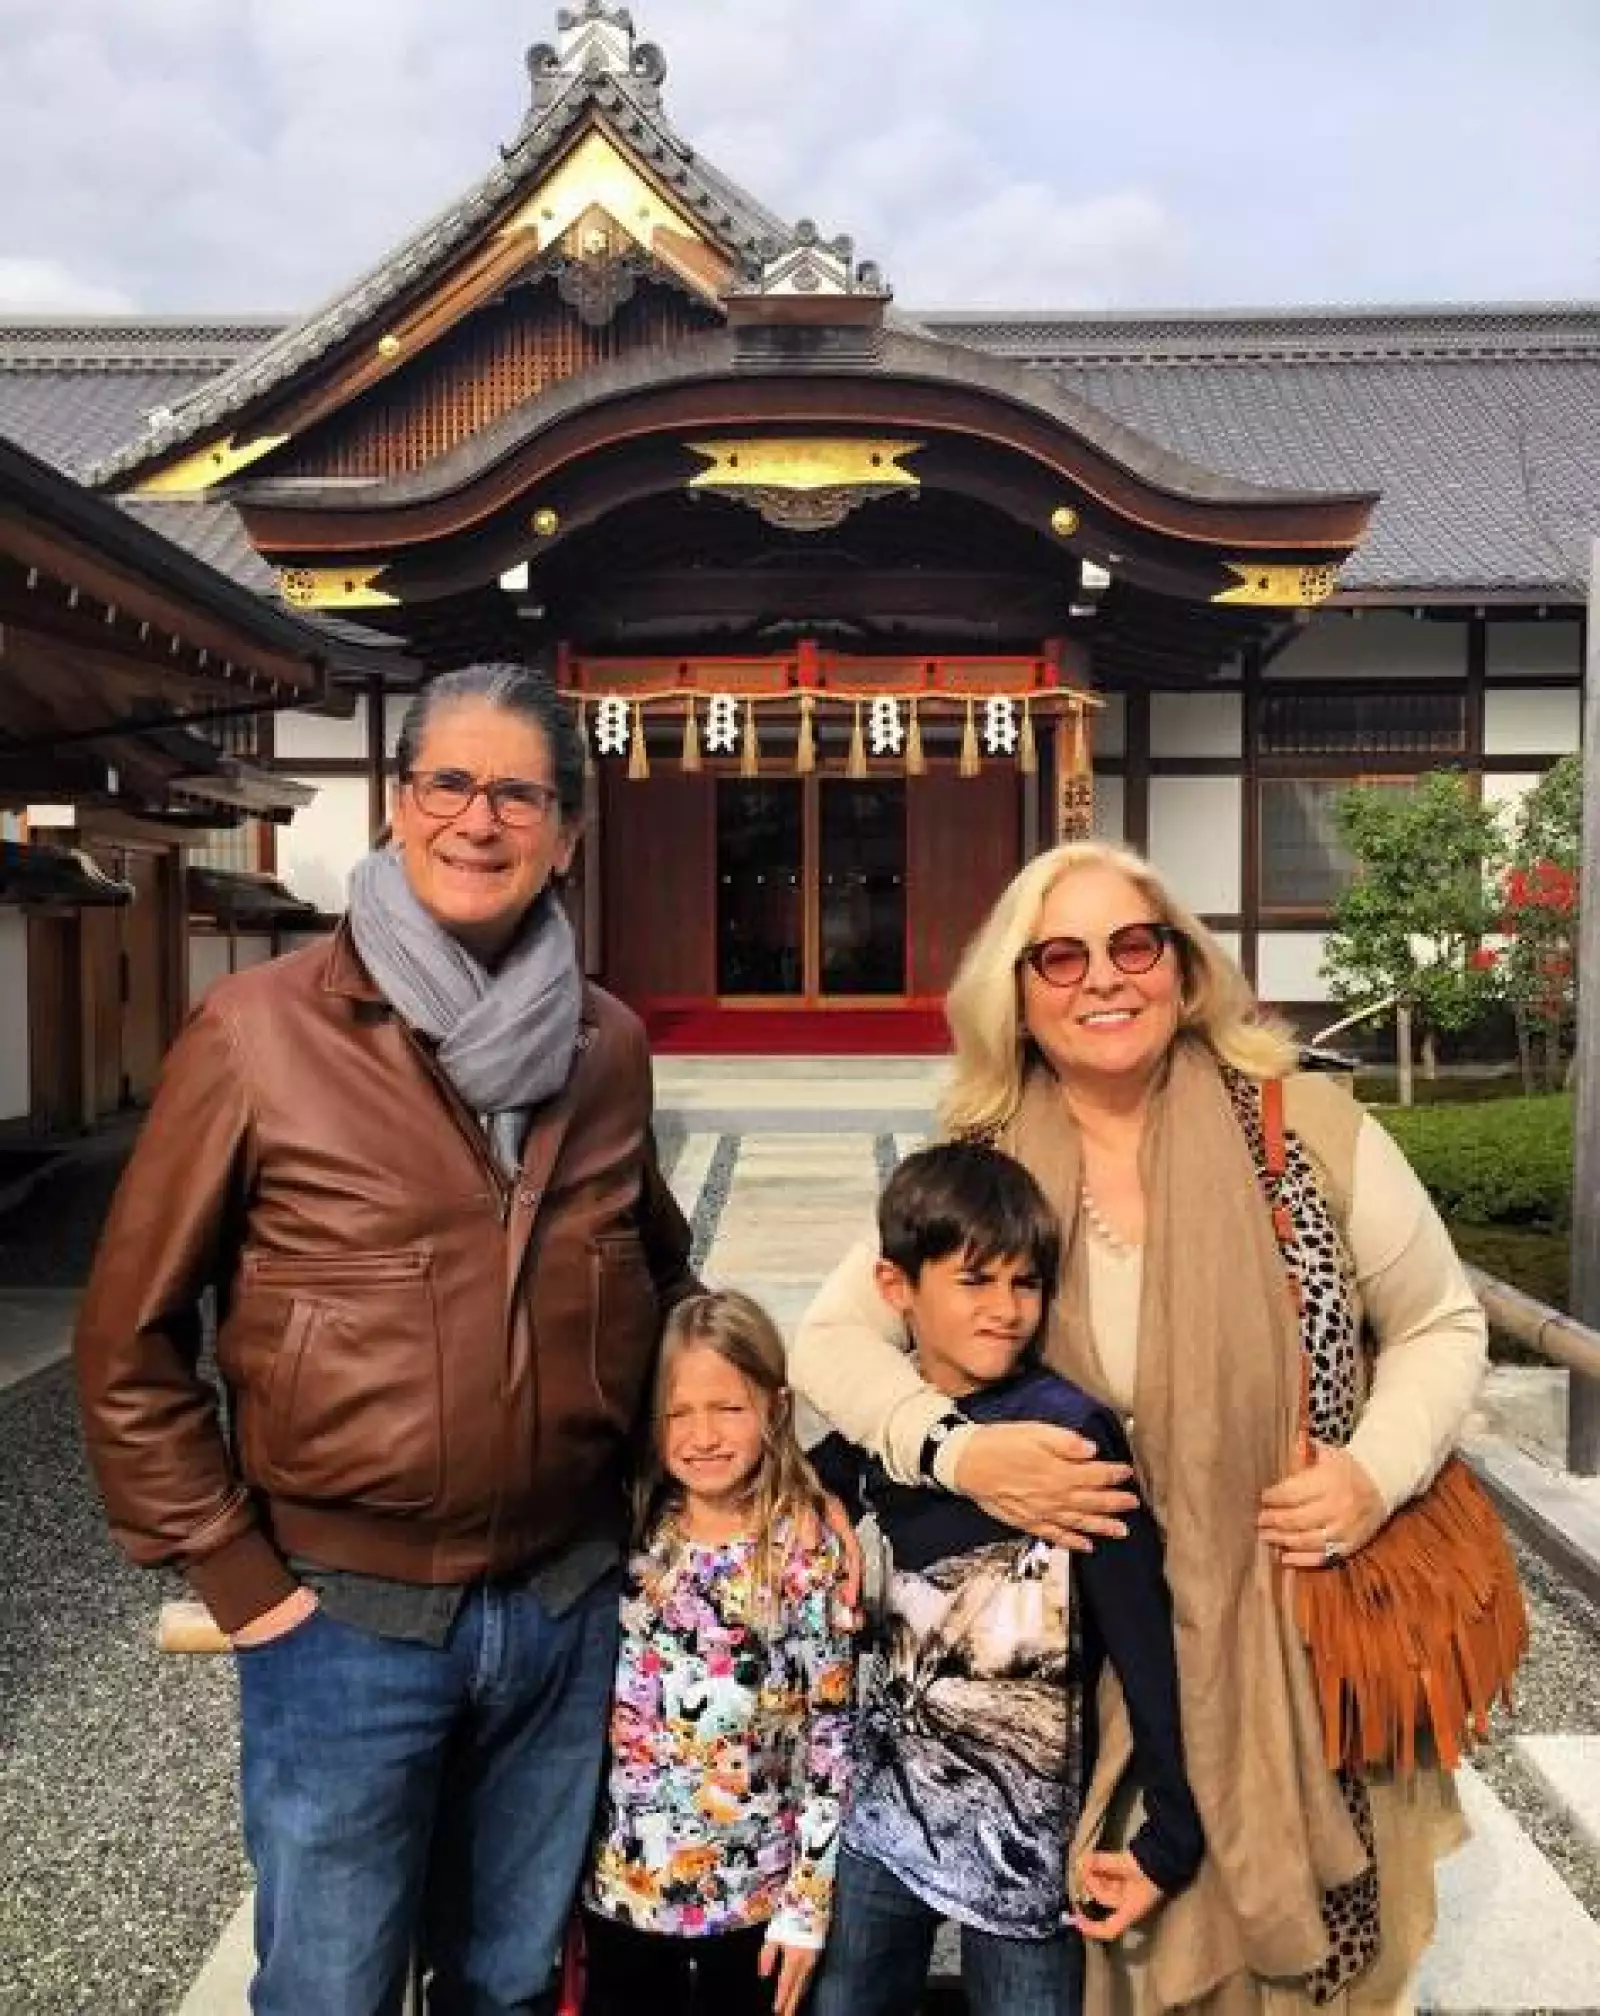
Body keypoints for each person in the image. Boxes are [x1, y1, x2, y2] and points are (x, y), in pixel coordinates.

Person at [73, 663, 697, 2016]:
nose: (481, 819)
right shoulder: (259, 1033)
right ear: (398, 807)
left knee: (513, 1977)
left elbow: (659, 1273)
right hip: (342, 1618)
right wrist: (242, 1578)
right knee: (332, 1988)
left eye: (518, 793)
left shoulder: (607, 1046)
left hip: (561, 1603)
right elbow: (127, 1336)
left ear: (567, 833)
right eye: (449, 785)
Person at [791, 840, 1488, 2015]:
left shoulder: (1297, 1128)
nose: (1101, 980)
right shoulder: (986, 1166)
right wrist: (959, 1449)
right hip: (1086, 1671)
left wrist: (1372, 1472)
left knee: (1311, 1966)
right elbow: (828, 1342)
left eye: (1133, 945)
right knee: (1116, 1951)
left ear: (1181, 966)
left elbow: (1441, 1322)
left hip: (1288, 1633)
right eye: (1059, 956)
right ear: (1014, 994)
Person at [808, 1141, 1204, 2016]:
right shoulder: (884, 1424)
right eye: (975, 1281)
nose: (1006, 1310)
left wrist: (1172, 1831)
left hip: (1024, 1846)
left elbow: (1143, 1634)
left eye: (1025, 1284)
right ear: (895, 1286)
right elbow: (799, 1493)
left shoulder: (1068, 1438)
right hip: (883, 1817)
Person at [581, 1289, 853, 2016]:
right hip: (622, 1899)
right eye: (677, 1413)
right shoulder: (631, 1535)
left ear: (776, 1407)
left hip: (755, 1904)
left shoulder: (803, 1553)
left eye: (728, 1408)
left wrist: (809, 1900)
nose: (702, 1435)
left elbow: (832, 1735)